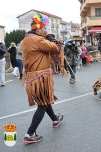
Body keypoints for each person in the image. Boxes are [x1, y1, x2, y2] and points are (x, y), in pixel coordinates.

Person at [21, 13, 66, 143]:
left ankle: (55, 119)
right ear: (38, 29)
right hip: (40, 78)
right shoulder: (37, 40)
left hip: (32, 77)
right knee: (43, 104)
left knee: (45, 100)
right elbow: (55, 48)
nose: (45, 31)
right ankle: (30, 133)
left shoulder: (25, 40)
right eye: (44, 29)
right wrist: (50, 37)